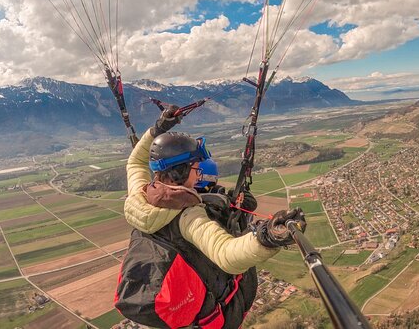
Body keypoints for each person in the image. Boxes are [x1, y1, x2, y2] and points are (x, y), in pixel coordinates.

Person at [121, 105, 306, 328]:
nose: (199, 175)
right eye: (196, 170)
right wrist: (267, 237)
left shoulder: (139, 195)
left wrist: (158, 129)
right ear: (179, 173)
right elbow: (226, 254)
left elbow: (135, 161)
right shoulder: (186, 216)